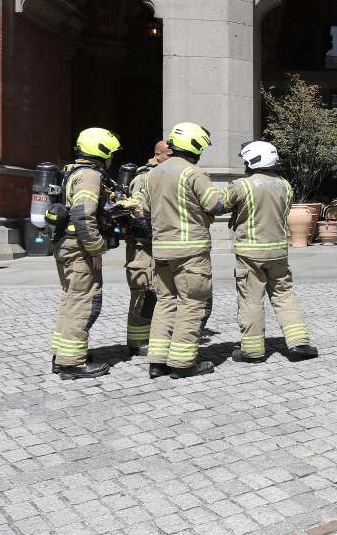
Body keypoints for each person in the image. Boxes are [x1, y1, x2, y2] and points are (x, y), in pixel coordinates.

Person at [146, 122, 228, 379]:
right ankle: (183, 364)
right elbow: (216, 205)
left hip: (160, 249)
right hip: (190, 250)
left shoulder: (153, 173)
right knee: (192, 304)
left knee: (165, 304)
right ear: (195, 146)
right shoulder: (193, 173)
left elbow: (146, 209)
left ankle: (157, 361)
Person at [226, 140, 318, 364]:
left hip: (250, 252)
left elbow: (221, 204)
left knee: (251, 300)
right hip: (278, 252)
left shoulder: (242, 185)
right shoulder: (285, 185)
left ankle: (253, 351)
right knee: (284, 296)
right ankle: (299, 344)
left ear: (251, 160)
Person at [49, 127, 120, 380]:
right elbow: (82, 215)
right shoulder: (90, 176)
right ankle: (72, 363)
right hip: (79, 248)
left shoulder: (69, 171)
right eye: (110, 152)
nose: (112, 158)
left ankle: (62, 354)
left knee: (70, 299)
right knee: (85, 302)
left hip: (64, 245)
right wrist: (96, 249)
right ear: (100, 150)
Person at [124, 140, 171, 356]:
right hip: (144, 246)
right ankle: (137, 342)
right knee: (144, 292)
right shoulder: (144, 177)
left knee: (161, 293)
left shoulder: (166, 174)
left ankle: (155, 337)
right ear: (158, 155)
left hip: (161, 245)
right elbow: (138, 212)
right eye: (170, 155)